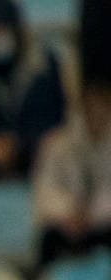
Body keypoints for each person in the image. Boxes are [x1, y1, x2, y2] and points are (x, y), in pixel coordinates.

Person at [0, 0, 66, 180]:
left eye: (4, 31)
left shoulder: (43, 67)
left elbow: (55, 117)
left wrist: (17, 144)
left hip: (30, 148)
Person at [33, 81, 111, 265]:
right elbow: (44, 191)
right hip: (64, 224)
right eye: (91, 112)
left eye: (103, 111)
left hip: (101, 223)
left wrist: (91, 216)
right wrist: (69, 213)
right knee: (48, 239)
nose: (97, 118)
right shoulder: (56, 144)